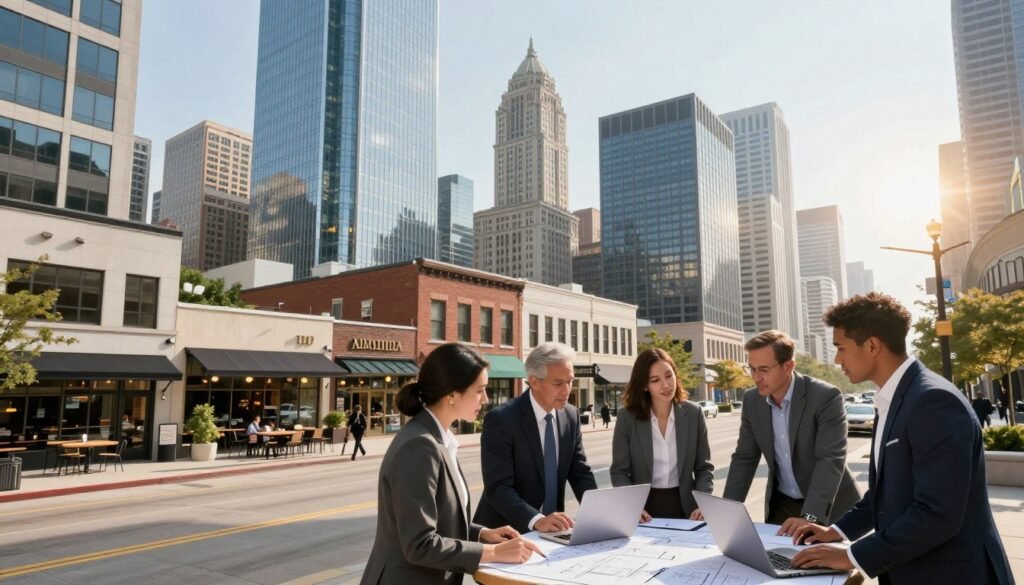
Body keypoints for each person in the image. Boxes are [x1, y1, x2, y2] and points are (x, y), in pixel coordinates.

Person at [791, 293, 1014, 584]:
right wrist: (836, 532)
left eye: (841, 348)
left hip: (951, 574)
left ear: (872, 345)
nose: (836, 360)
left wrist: (851, 556)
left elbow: (937, 514)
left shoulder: (932, 401)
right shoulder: (894, 399)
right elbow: (885, 494)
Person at [361, 343, 541, 584]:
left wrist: (482, 533)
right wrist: (494, 553)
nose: (485, 399)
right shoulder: (420, 446)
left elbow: (442, 520)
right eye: (480, 390)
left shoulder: (439, 438)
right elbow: (420, 544)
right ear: (452, 394)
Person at [723, 330, 860, 534]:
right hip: (782, 506)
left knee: (824, 565)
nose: (756, 377)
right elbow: (745, 458)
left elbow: (830, 460)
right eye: (751, 369)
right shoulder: (752, 401)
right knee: (773, 562)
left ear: (789, 366)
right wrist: (726, 511)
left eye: (764, 370)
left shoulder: (825, 397)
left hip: (827, 506)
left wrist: (810, 517)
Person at [473, 342, 598, 534]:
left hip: (553, 532)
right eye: (558, 383)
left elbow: (580, 473)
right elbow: (498, 489)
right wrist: (536, 520)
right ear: (534, 382)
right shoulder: (501, 420)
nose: (567, 390)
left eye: (570, 381)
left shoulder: (571, 416)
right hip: (504, 534)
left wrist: (602, 513)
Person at [610, 348, 713, 520]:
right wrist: (631, 507)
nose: (666, 385)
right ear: (644, 385)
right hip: (642, 512)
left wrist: (703, 503)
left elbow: (704, 469)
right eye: (655, 380)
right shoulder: (627, 417)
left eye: (668, 375)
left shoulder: (694, 413)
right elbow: (619, 472)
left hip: (688, 509)